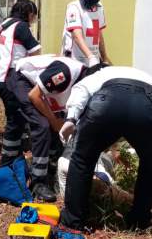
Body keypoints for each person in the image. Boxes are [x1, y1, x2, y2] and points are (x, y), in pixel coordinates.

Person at [58, 66, 152, 231]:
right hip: (149, 107)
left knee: (82, 159)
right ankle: (139, 221)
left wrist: (71, 117)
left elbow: (81, 89)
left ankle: (73, 219)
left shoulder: (100, 74)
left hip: (107, 104)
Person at [8, 54, 97, 201]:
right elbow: (34, 95)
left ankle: (50, 171)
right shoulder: (64, 74)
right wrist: (54, 121)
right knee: (42, 125)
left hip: (37, 89)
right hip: (23, 81)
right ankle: (38, 182)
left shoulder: (83, 83)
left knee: (56, 124)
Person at [0, 0, 42, 163]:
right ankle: (8, 159)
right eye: (34, 15)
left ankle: (13, 153)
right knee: (16, 118)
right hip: (9, 78)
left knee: (14, 116)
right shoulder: (21, 27)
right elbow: (35, 52)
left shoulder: (4, 24)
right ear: (28, 13)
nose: (34, 19)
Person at [60, 0, 111, 67]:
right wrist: (90, 57)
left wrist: (104, 58)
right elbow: (76, 36)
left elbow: (99, 35)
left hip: (93, 62)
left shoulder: (100, 8)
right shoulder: (74, 7)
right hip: (75, 61)